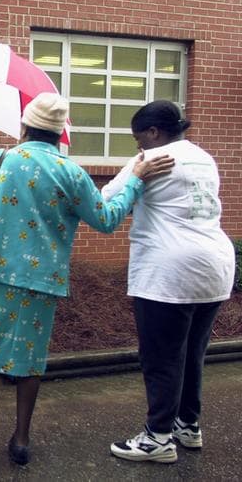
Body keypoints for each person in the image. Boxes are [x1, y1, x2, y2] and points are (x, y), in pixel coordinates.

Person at [0, 93, 175, 466]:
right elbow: (108, 219)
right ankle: (20, 440)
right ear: (59, 133)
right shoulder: (72, 172)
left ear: (24, 126)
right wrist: (136, 180)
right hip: (42, 281)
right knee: (29, 361)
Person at [103, 101, 235, 464]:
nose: (138, 148)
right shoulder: (204, 157)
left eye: (138, 139)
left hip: (170, 271)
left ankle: (157, 438)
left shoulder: (149, 160)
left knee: (161, 357)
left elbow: (105, 202)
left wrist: (136, 177)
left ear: (154, 133)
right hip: (215, 267)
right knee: (193, 352)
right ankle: (187, 425)